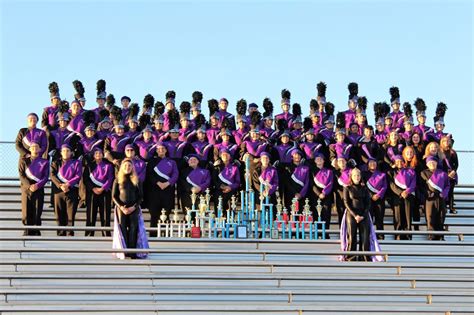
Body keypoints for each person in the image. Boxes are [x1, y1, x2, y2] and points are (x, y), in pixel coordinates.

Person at [340, 168, 382, 262]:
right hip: (351, 214)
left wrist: (363, 215)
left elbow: (368, 203)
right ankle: (351, 257)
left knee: (365, 237)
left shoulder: (365, 188)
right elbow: (346, 203)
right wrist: (355, 215)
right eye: (355, 175)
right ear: (351, 176)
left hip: (364, 214)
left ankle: (365, 257)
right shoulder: (347, 188)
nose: (357, 177)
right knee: (352, 236)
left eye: (358, 175)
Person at [112, 159, 148, 259]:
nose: (127, 167)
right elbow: (114, 196)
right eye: (125, 166)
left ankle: (132, 251)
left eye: (129, 166)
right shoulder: (117, 180)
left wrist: (134, 207)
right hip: (121, 208)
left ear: (132, 167)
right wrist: (121, 207)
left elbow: (141, 196)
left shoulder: (137, 180)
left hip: (134, 208)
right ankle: (124, 251)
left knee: (133, 228)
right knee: (122, 227)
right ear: (122, 167)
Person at [145, 142, 179, 237]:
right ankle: (153, 236)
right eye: (159, 149)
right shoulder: (152, 161)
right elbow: (149, 174)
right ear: (156, 151)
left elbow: (175, 174)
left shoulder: (172, 162)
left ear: (166, 150)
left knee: (166, 214)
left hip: (167, 191)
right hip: (154, 191)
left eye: (163, 149)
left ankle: (166, 235)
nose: (161, 150)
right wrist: (158, 183)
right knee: (154, 215)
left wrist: (167, 183)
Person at [50, 144, 83, 236]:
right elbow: (52, 175)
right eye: (64, 151)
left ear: (71, 153)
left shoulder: (76, 163)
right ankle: (60, 233)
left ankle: (69, 233)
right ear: (61, 152)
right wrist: (61, 186)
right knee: (59, 213)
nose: (66, 152)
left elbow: (78, 175)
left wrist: (68, 184)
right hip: (59, 191)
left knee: (71, 214)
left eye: (68, 151)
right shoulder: (55, 163)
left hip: (71, 190)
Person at [18, 141, 49, 236]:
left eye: (37, 147)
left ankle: (36, 230)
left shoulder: (45, 162)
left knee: (37, 210)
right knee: (26, 212)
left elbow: (46, 176)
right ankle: (27, 230)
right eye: (33, 147)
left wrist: (37, 185)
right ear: (30, 149)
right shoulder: (23, 160)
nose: (35, 148)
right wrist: (29, 186)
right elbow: (21, 175)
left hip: (38, 189)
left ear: (40, 149)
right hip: (26, 189)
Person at [84, 148, 114, 236]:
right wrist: (93, 188)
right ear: (93, 155)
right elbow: (86, 179)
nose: (98, 155)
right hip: (92, 193)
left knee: (105, 214)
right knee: (90, 214)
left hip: (104, 192)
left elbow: (110, 178)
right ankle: (89, 234)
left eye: (100, 153)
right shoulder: (89, 166)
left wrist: (102, 188)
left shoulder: (108, 165)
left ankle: (106, 234)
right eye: (96, 153)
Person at [420, 156, 450, 240]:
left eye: (434, 162)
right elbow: (421, 186)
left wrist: (444, 194)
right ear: (427, 164)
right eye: (430, 163)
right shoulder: (424, 173)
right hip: (430, 198)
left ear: (437, 163)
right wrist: (428, 193)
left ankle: (440, 235)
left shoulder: (443, 173)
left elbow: (447, 185)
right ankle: (431, 235)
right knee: (430, 217)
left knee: (441, 216)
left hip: (440, 198)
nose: (432, 164)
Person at [387, 155, 415, 240]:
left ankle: (408, 234)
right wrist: (400, 192)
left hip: (408, 195)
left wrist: (407, 191)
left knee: (408, 215)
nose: (399, 163)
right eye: (397, 161)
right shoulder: (391, 172)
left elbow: (414, 182)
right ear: (394, 163)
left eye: (401, 161)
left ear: (404, 162)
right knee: (398, 216)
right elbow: (391, 185)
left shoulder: (410, 171)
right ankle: (398, 235)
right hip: (396, 196)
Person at [362, 158, 387, 239]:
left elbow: (384, 186)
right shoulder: (364, 174)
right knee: (369, 218)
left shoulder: (382, 174)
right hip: (368, 200)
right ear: (368, 165)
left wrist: (378, 195)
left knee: (379, 218)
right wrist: (371, 195)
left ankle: (380, 236)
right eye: (371, 163)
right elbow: (364, 187)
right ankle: (369, 236)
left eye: (374, 162)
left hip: (379, 199)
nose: (372, 164)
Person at [309, 153, 333, 236]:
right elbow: (311, 184)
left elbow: (330, 183)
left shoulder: (329, 171)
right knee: (316, 214)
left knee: (326, 214)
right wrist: (319, 194)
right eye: (317, 158)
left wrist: (324, 193)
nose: (319, 159)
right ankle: (317, 233)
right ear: (314, 160)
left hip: (327, 196)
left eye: (321, 158)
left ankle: (325, 234)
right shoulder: (311, 171)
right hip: (315, 196)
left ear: (324, 161)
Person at [439, 136, 458, 214]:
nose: (446, 142)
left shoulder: (453, 152)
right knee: (443, 191)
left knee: (450, 191)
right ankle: (443, 207)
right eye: (444, 141)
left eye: (447, 141)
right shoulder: (439, 152)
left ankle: (451, 207)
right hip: (442, 174)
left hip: (451, 174)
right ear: (441, 142)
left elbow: (456, 164)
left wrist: (454, 171)